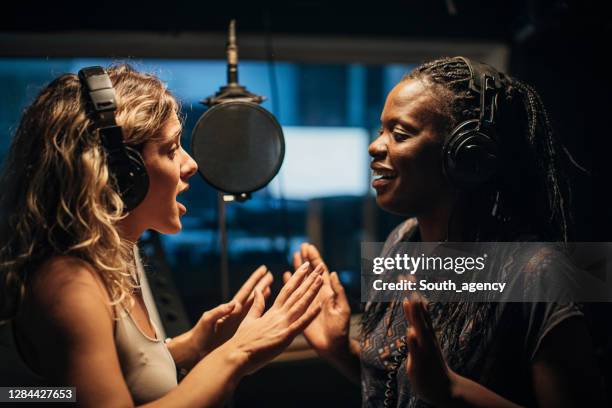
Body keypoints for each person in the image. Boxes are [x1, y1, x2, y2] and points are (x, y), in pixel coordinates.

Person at [285, 57, 605, 407]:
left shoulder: (538, 272)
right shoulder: (400, 243)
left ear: (467, 155)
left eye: (400, 133)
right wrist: (340, 350)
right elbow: (400, 391)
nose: (375, 146)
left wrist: (454, 392)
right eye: (381, 130)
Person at [0, 64, 324, 407]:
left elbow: (122, 371)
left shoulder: (118, 253)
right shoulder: (68, 285)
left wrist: (196, 346)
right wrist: (235, 354)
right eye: (171, 150)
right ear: (121, 174)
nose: (191, 164)